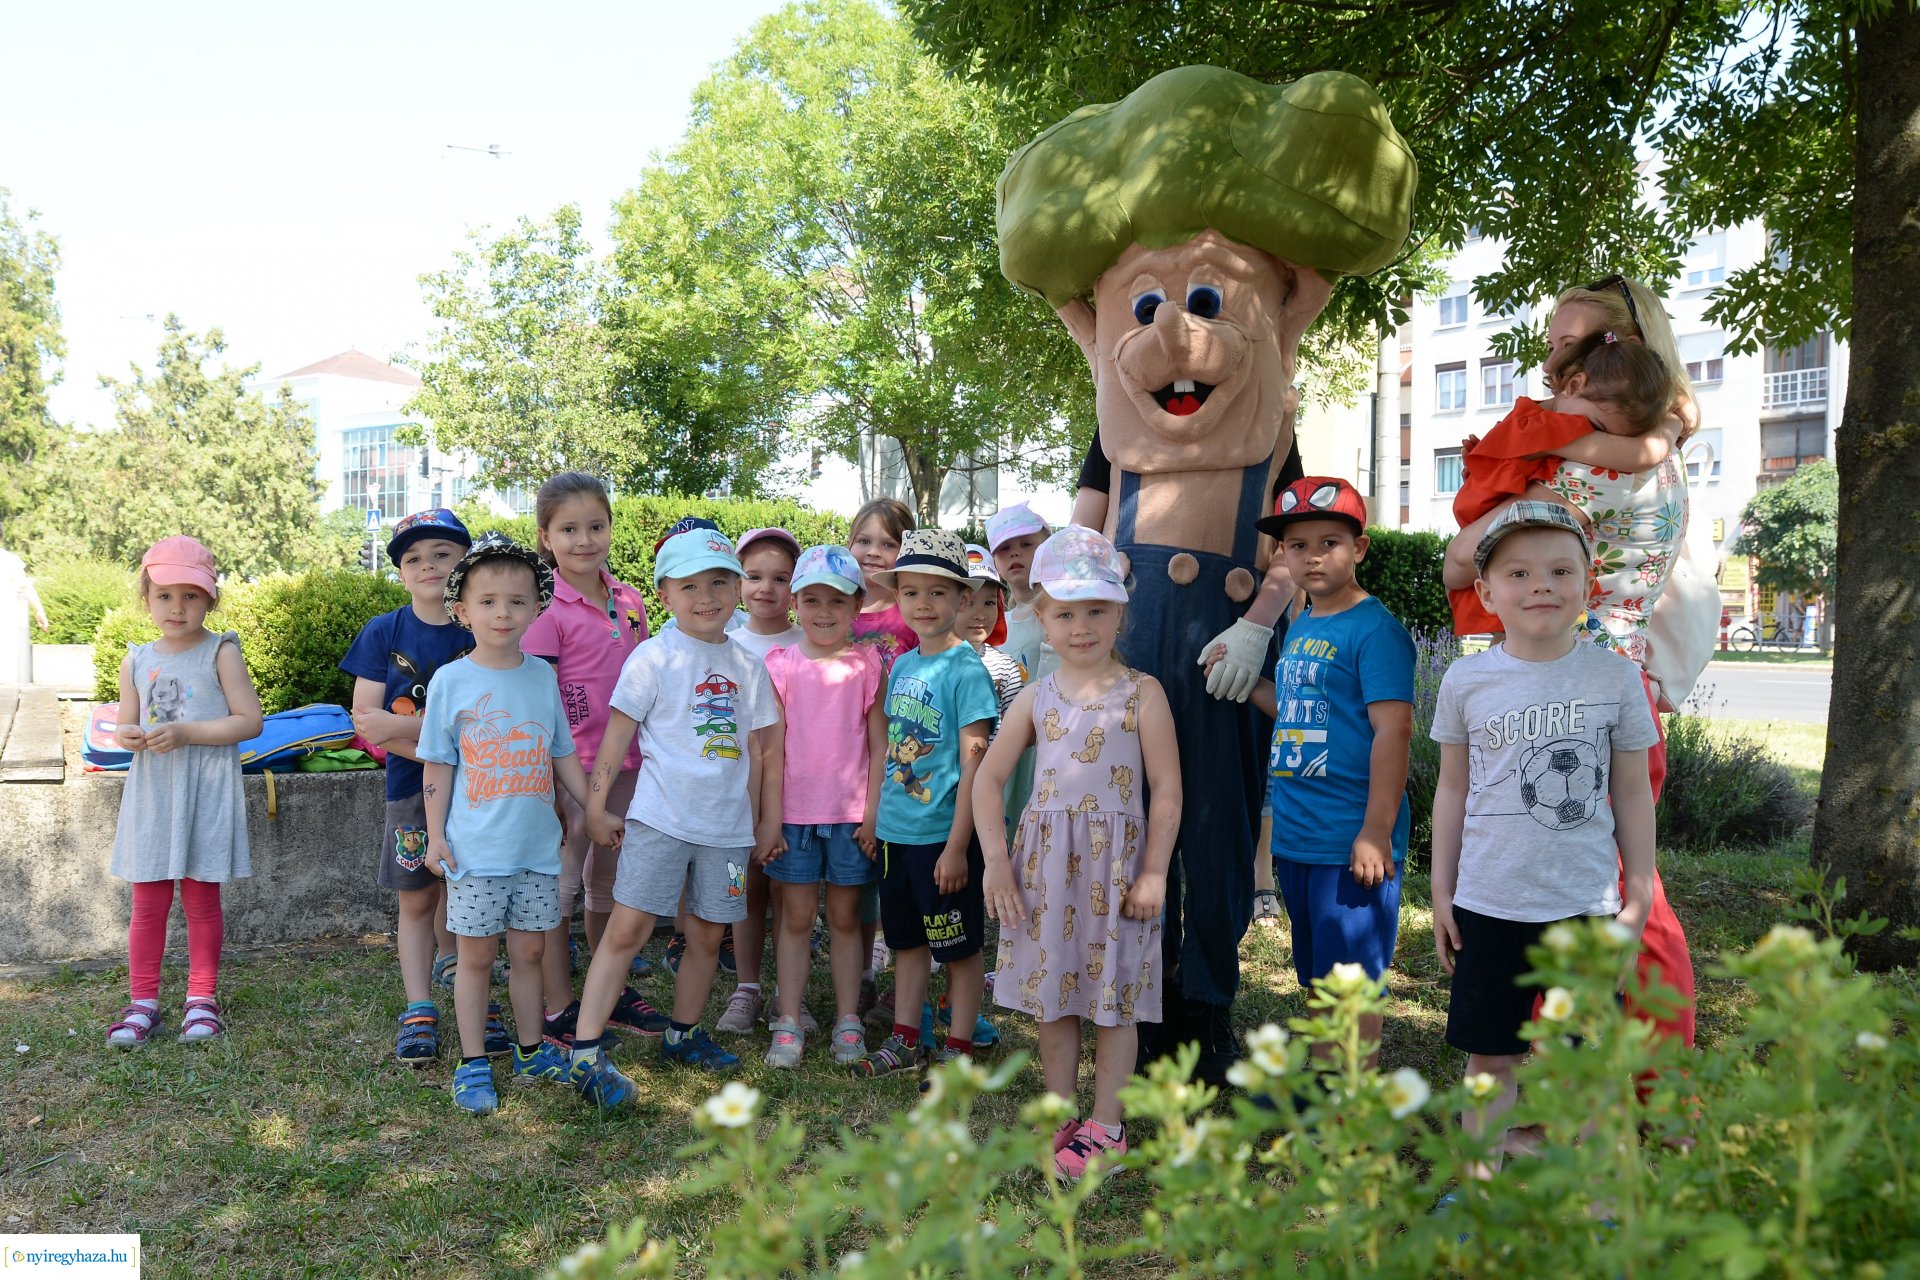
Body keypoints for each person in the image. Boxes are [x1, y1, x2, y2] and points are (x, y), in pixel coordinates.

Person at [1441, 273, 1699, 1050]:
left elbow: (1461, 563)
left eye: (1572, 348)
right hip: (1623, 683)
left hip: (1577, 691)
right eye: (1555, 345)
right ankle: (1636, 1083)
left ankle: (1652, 1088)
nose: (1556, 365)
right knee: (1626, 894)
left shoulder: (1579, 463)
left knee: (1624, 901)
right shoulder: (1660, 448)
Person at [1429, 502, 1658, 1173]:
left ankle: (1590, 1196)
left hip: (1585, 906)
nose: (1540, 585)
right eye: (1519, 572)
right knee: (1491, 1055)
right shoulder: (1465, 679)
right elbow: (1451, 790)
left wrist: (1637, 896)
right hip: (1490, 904)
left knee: (1585, 1057)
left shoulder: (1614, 677)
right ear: (1486, 591)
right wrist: (1442, 891)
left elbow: (1633, 791)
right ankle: (1479, 1184)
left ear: (1589, 583)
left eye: (1560, 570)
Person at [978, 526, 1180, 1178]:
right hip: (1045, 876)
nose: (1082, 625)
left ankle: (1107, 1124)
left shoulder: (1143, 693)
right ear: (1043, 617)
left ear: (1120, 611)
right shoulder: (1037, 698)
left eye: (1097, 609)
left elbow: (1168, 789)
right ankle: (1061, 1113)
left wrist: (1154, 871)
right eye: (1066, 612)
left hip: (1118, 875)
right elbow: (988, 777)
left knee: (1115, 997)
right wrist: (996, 862)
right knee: (1054, 996)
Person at [566, 526, 783, 1106]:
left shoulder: (748, 666)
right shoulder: (653, 657)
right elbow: (616, 740)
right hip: (659, 821)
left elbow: (763, 750)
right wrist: (594, 805)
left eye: (719, 581)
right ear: (665, 595)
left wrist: (766, 822)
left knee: (708, 935)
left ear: (737, 588)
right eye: (690, 585)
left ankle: (683, 1033)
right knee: (626, 932)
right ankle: (585, 1050)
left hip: (729, 833)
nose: (706, 595)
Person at [1214, 478, 1414, 1073]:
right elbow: (1303, 710)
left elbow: (1393, 732)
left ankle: (1351, 1107)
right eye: (1297, 545)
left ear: (1361, 549)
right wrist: (1248, 684)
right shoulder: (1301, 625)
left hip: (1349, 838)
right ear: (1283, 556)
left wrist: (1375, 831)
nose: (1313, 555)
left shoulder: (1375, 631)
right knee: (1322, 976)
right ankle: (1331, 1080)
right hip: (1300, 836)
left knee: (1352, 986)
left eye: (1330, 541)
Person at [418, 534, 593, 1115]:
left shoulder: (542, 677)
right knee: (475, 959)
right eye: (488, 601)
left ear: (536, 608)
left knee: (529, 955)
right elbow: (438, 765)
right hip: (475, 853)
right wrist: (436, 835)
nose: (503, 612)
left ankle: (528, 1049)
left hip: (537, 852)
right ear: (462, 610)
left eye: (517, 601)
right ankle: (472, 1063)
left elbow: (561, 752)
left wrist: (591, 804)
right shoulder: (451, 681)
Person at [519, 475, 667, 1049]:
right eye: (569, 529)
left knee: (610, 878)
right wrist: (561, 779)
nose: (585, 540)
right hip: (567, 770)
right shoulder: (546, 609)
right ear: (546, 538)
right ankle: (558, 1003)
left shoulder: (629, 600)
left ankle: (614, 989)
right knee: (559, 885)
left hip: (629, 764)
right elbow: (537, 695)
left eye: (596, 526)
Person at [106, 537, 263, 1046]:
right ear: (146, 599)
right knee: (147, 901)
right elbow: (125, 725)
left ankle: (201, 999)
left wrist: (188, 733)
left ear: (210, 599)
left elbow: (250, 722)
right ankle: (142, 1001)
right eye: (165, 595)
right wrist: (127, 736)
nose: (178, 607)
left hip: (205, 792)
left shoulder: (221, 651)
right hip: (153, 794)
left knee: (200, 898)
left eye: (191, 596)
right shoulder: (135, 660)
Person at [853, 530, 998, 1078]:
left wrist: (959, 846)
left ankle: (959, 1048)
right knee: (908, 942)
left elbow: (975, 766)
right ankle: (906, 1037)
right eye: (910, 592)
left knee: (957, 948)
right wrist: (876, 819)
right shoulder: (905, 666)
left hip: (944, 840)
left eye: (937, 593)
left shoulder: (967, 671)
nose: (923, 604)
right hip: (896, 836)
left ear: (962, 599)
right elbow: (891, 749)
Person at [340, 508, 478, 1064]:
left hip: (483, 791)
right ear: (400, 571)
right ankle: (418, 1005)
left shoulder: (482, 626)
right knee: (417, 897)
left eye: (443, 554)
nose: (429, 566)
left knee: (470, 892)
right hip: (410, 793)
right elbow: (367, 722)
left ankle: (474, 992)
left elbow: (490, 722)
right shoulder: (384, 631)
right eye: (414, 558)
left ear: (465, 562)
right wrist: (437, 740)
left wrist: (407, 729)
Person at [1445, 330, 1680, 635]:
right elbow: (1640, 454)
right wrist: (1673, 422)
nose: (1603, 445)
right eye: (1599, 429)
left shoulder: (1531, 417)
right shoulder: (1557, 430)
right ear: (1575, 384)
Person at [760, 544, 887, 1066]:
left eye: (836, 601)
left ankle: (847, 1020)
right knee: (794, 918)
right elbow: (772, 748)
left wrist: (873, 813)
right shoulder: (782, 665)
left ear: (857, 606)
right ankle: (788, 1020)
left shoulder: (868, 664)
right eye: (811, 600)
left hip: (851, 816)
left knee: (844, 916)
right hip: (793, 816)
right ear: (795, 604)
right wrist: (769, 820)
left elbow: (881, 746)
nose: (824, 612)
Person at [715, 526, 805, 1036]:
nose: (766, 588)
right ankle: (746, 986)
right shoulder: (723, 643)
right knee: (743, 890)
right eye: (753, 576)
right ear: (737, 580)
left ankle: (790, 994)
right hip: (737, 794)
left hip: (798, 793)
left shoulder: (811, 640)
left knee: (792, 893)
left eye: (780, 578)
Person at [846, 496, 916, 1020]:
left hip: (900, 760)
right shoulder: (834, 607)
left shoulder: (909, 611)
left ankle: (907, 971)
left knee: (898, 868)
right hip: (846, 759)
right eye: (864, 540)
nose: (873, 552)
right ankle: (867, 973)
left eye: (888, 543)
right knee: (860, 870)